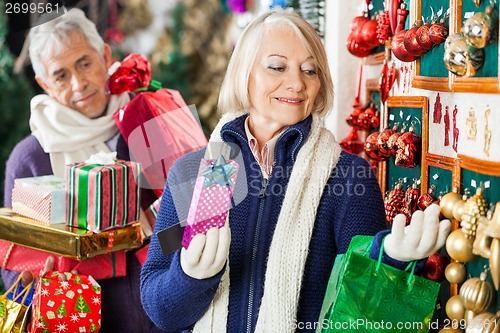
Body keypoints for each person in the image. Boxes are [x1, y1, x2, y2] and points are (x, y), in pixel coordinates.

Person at [140, 9, 451, 333]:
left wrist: (390, 263)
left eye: (310, 70)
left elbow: (362, 314)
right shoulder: (195, 172)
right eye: (277, 66)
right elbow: (160, 307)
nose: (296, 83)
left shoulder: (348, 178)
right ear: (244, 73)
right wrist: (189, 277)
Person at [2, 8, 164, 333]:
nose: (79, 84)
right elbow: (11, 268)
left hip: (162, 315)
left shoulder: (148, 123)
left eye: (85, 63)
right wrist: (40, 278)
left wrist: (161, 239)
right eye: (60, 75)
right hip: (78, 320)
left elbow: (191, 218)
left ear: (105, 55)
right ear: (43, 83)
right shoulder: (31, 157)